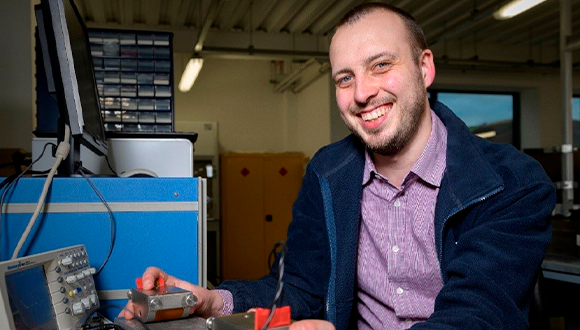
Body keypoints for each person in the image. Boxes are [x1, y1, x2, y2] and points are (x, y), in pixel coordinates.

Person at [121, 3, 556, 330]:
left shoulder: (510, 182)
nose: (362, 93)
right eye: (344, 78)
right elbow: (302, 288)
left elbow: (474, 318)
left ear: (425, 68)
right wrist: (212, 301)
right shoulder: (328, 174)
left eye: (381, 65)